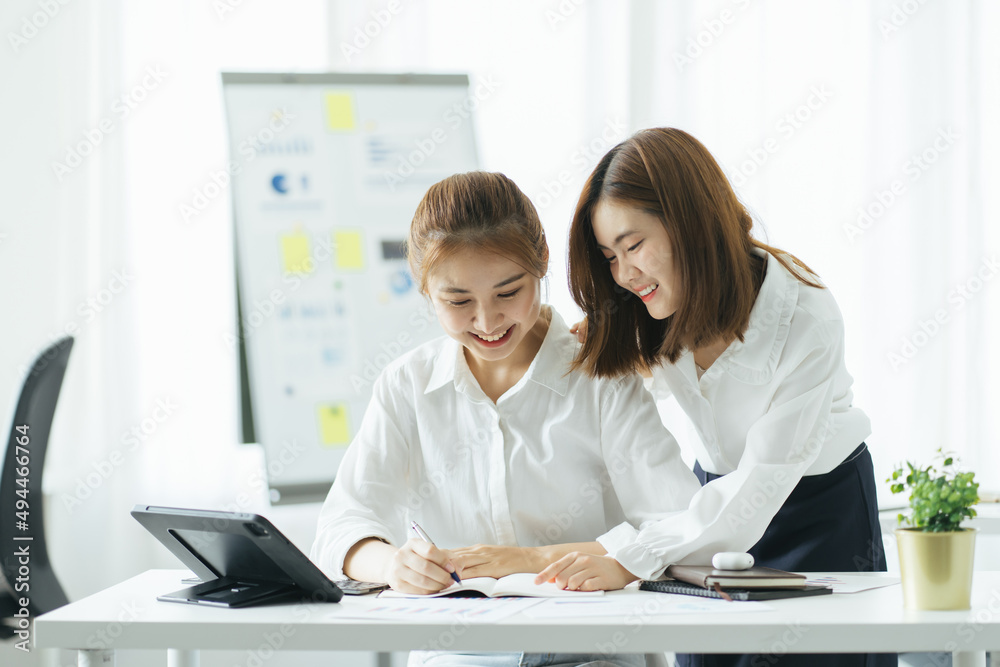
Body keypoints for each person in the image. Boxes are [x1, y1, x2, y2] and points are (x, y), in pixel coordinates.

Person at [310, 171, 701, 667]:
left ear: (541, 268)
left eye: (508, 291)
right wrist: (394, 564)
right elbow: (341, 525)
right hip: (458, 653)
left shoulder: (602, 374)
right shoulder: (407, 385)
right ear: (425, 291)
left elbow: (679, 525)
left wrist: (537, 560)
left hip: (590, 652)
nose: (488, 321)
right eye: (458, 301)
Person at [536, 128, 893, 667]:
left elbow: (764, 481)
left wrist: (633, 559)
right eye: (610, 255)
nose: (625, 273)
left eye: (633, 245)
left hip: (817, 509)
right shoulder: (647, 305)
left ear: (691, 221)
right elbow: (578, 372)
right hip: (710, 504)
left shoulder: (805, 314)